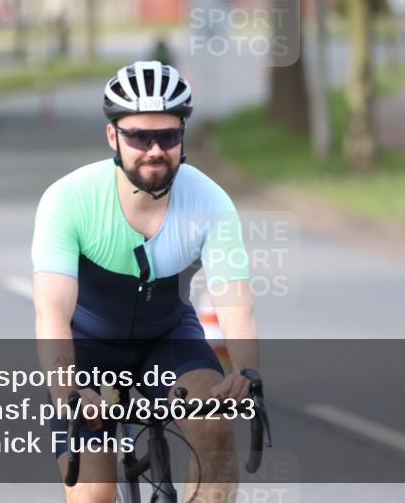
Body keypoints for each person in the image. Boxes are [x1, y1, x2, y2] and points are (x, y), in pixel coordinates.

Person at [31, 60, 258, 503]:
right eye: (139, 136)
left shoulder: (210, 200)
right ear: (113, 136)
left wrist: (248, 369)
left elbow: (236, 303)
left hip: (167, 337)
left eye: (168, 136)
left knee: (215, 425)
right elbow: (52, 313)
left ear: (182, 138)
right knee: (93, 494)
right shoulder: (68, 200)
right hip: (87, 349)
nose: (154, 149)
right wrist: (68, 388)